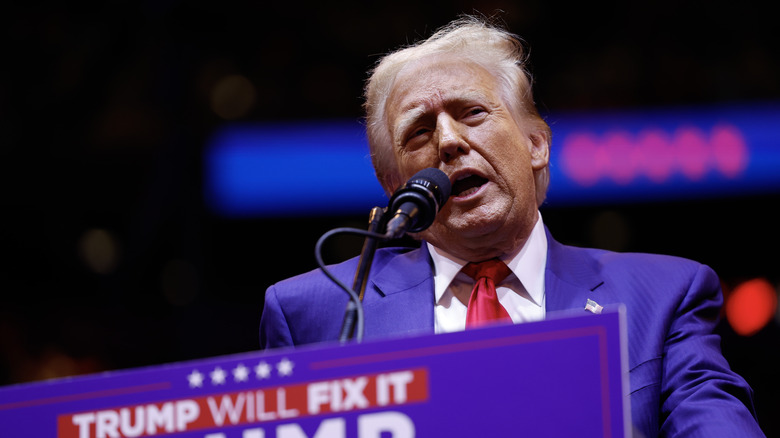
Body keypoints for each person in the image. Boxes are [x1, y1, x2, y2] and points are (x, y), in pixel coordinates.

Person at [259, 17, 765, 438]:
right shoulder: (316, 311)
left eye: (472, 112)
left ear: (535, 145)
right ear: (395, 186)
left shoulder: (664, 295)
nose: (449, 142)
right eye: (419, 131)